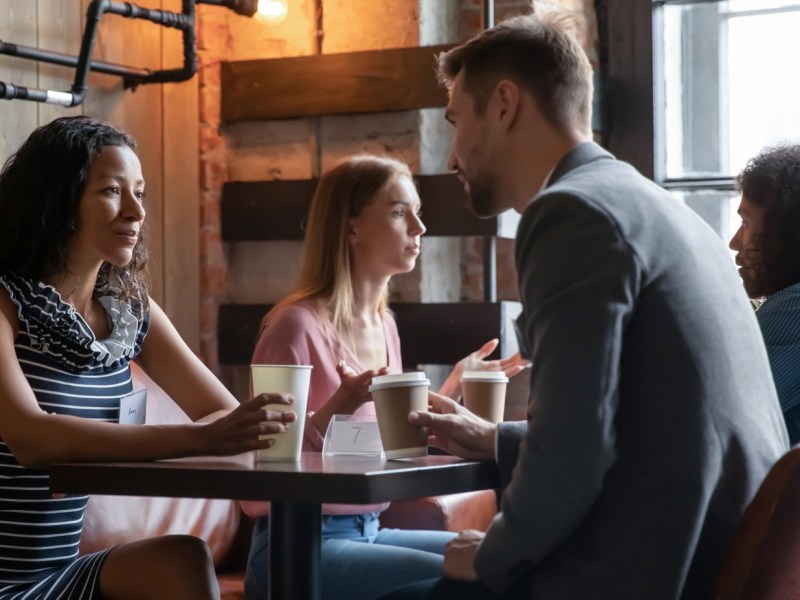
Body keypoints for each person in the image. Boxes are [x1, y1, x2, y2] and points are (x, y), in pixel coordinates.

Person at [378, 7, 789, 600]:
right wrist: (497, 439)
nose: (451, 156)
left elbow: (574, 454)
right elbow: (634, 429)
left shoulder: (571, 214)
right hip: (718, 560)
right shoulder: (657, 206)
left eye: (455, 122)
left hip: (650, 570)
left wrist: (496, 555)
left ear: (504, 104)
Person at [0, 116, 296, 600]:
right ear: (57, 200)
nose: (136, 211)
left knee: (184, 557)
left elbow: (223, 413)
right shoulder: (5, 302)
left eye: (140, 192)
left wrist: (215, 434)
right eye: (112, 191)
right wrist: (200, 439)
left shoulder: (130, 312)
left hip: (57, 575)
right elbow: (29, 437)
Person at [241, 154, 527, 600]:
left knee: (513, 563)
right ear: (350, 228)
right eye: (398, 212)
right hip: (294, 547)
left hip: (371, 530)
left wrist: (450, 390)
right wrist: (339, 405)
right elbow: (258, 480)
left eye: (418, 212)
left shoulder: (384, 325)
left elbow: (382, 442)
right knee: (477, 579)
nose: (419, 227)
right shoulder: (294, 326)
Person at [729, 144, 800, 443]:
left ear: (786, 236)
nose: (735, 242)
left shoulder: (793, 308)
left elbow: (726, 412)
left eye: (746, 223)